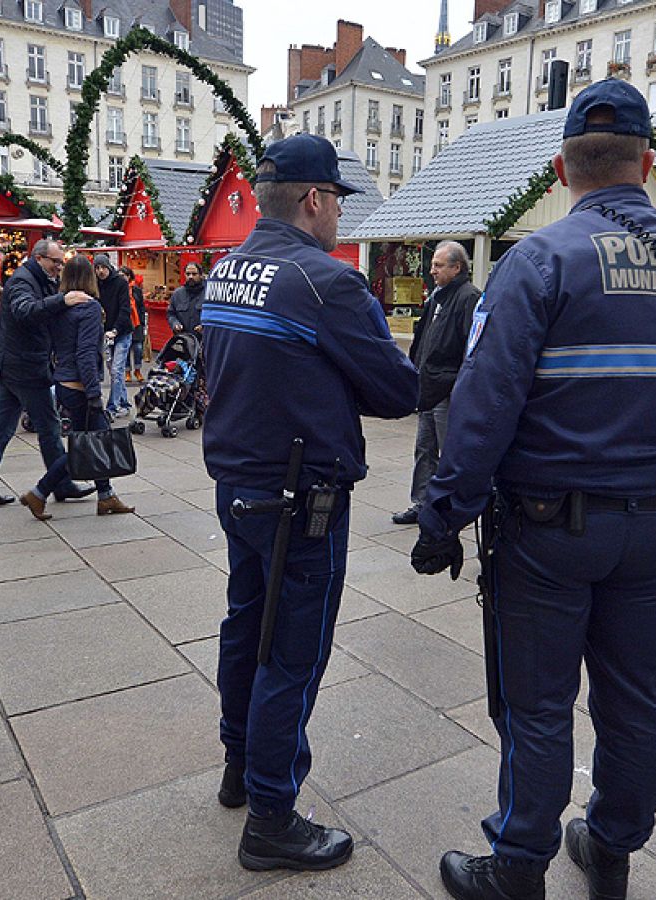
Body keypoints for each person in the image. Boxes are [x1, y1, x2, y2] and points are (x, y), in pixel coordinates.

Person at [411, 80, 656, 900]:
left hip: (548, 530)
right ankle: (612, 846)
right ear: (648, 162)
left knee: (538, 703)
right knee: (636, 697)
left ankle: (518, 865)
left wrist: (441, 515)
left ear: (562, 166)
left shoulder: (539, 261)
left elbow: (483, 412)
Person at [200, 133, 418, 873]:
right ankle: (271, 815)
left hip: (240, 485)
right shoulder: (325, 281)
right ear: (315, 200)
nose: (340, 222)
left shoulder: (228, 270)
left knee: (244, 628)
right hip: (302, 497)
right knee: (293, 651)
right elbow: (397, 392)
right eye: (338, 205)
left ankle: (239, 765)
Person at [0, 239, 96, 507]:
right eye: (55, 262)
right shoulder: (22, 282)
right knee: (49, 427)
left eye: (61, 262)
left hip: (15, 367)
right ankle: (60, 484)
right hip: (26, 369)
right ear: (39, 258)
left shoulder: (37, 279)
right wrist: (63, 300)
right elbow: (26, 312)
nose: (59, 267)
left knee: (0, 429)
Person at [19, 254, 134, 519]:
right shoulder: (90, 308)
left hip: (65, 382)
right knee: (86, 447)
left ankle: (106, 496)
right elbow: (85, 354)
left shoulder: (60, 307)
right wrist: (94, 394)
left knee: (95, 441)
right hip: (81, 386)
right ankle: (39, 492)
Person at [392, 241, 482, 526]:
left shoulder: (469, 298)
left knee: (451, 453)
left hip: (448, 392)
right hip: (428, 390)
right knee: (424, 450)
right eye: (433, 265)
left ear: (457, 267)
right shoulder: (437, 298)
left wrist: (458, 386)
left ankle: (454, 507)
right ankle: (422, 504)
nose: (432, 271)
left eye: (439, 265)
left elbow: (474, 349)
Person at [95, 255, 133, 419]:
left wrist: (116, 330)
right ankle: (124, 403)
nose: (100, 271)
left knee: (117, 370)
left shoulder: (120, 283)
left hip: (122, 333)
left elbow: (125, 309)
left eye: (102, 267)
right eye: (97, 268)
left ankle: (112, 407)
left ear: (108, 266)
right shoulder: (95, 285)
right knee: (113, 372)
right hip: (106, 333)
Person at [122, 265, 149, 381]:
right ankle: (127, 372)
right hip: (124, 323)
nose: (122, 278)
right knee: (126, 348)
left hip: (137, 323)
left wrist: (143, 322)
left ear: (129, 276)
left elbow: (141, 307)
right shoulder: (118, 290)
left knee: (138, 348)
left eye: (124, 276)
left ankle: (137, 370)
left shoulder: (136, 290)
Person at [168, 261, 205, 333]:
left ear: (201, 275)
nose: (190, 277)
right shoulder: (177, 294)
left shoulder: (209, 294)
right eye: (188, 274)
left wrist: (204, 326)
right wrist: (175, 324)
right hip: (183, 339)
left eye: (194, 274)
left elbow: (215, 315)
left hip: (203, 340)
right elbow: (171, 314)